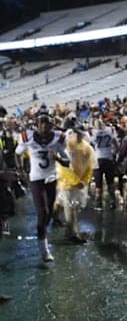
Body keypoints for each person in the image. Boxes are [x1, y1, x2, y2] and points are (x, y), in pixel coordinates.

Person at [15, 109, 69, 262]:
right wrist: (21, 170)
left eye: (47, 125)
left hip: (51, 178)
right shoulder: (28, 137)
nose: (44, 129)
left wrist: (57, 158)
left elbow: (68, 162)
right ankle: (44, 249)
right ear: (36, 126)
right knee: (42, 213)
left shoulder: (59, 138)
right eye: (42, 125)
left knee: (49, 214)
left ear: (52, 126)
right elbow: (17, 153)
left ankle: (41, 232)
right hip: (36, 178)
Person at [56, 126, 94, 244]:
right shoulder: (65, 147)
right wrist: (75, 182)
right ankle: (70, 233)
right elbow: (62, 167)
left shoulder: (87, 148)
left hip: (79, 184)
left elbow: (89, 166)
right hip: (66, 183)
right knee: (69, 209)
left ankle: (72, 232)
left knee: (75, 209)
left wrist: (84, 181)